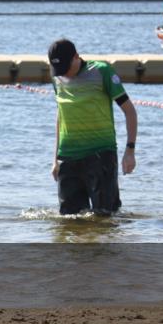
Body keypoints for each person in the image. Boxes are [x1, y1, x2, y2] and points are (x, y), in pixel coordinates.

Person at [48, 39, 138, 216]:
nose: (64, 73)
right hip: (68, 157)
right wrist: (55, 159)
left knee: (106, 218)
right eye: (59, 69)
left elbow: (130, 111)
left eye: (66, 67)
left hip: (100, 155)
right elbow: (60, 116)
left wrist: (130, 151)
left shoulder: (101, 71)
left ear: (76, 57)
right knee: (69, 220)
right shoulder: (57, 77)